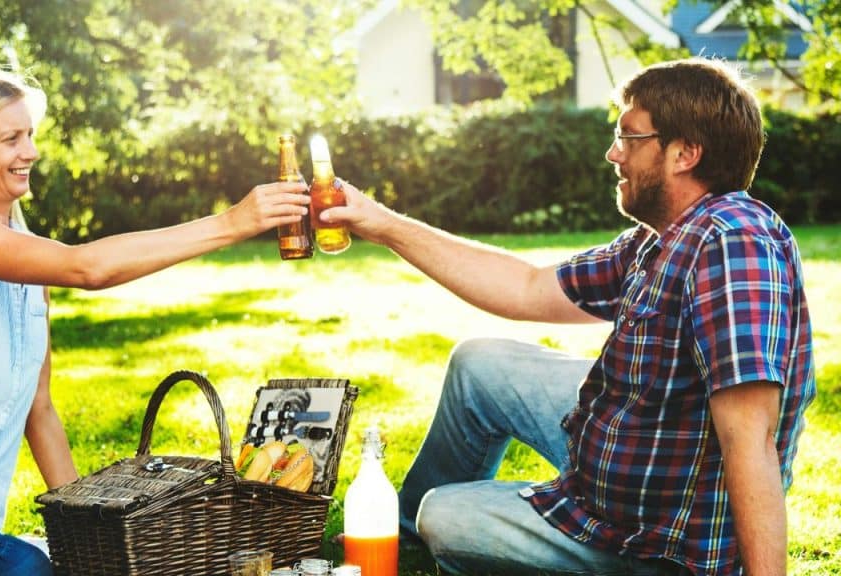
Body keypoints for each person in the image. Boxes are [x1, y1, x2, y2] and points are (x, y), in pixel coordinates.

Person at [322, 58, 814, 575]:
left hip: (658, 536)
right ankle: (397, 537)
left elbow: (751, 438)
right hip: (636, 446)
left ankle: (437, 529)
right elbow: (527, 287)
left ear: (685, 153)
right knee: (480, 364)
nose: (613, 152)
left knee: (445, 514)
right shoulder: (661, 241)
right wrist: (380, 224)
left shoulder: (732, 244)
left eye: (629, 137)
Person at [0, 65, 310, 575]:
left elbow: (41, 409)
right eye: (11, 138)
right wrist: (232, 223)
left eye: (29, 135)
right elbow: (88, 266)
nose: (30, 151)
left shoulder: (27, 269)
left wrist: (87, 533)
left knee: (28, 566)